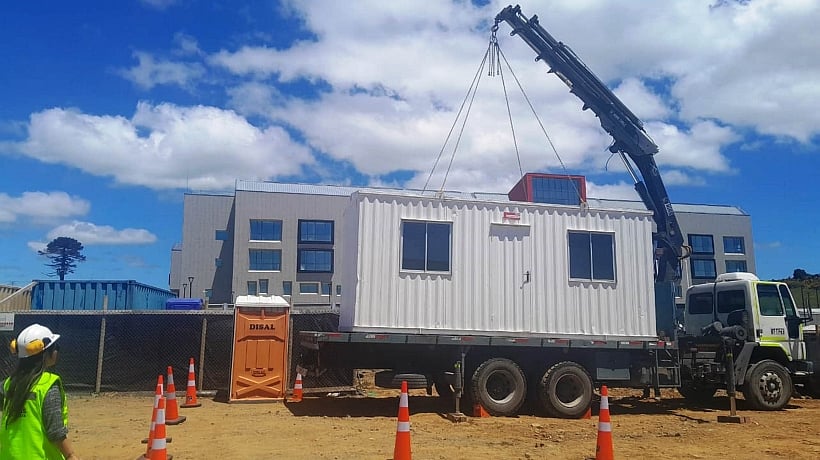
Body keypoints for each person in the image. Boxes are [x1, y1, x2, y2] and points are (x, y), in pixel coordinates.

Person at [0, 324, 80, 460]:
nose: (57, 351)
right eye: (55, 348)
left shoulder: (9, 384)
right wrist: (70, 455)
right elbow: (55, 431)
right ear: (45, 353)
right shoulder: (47, 385)